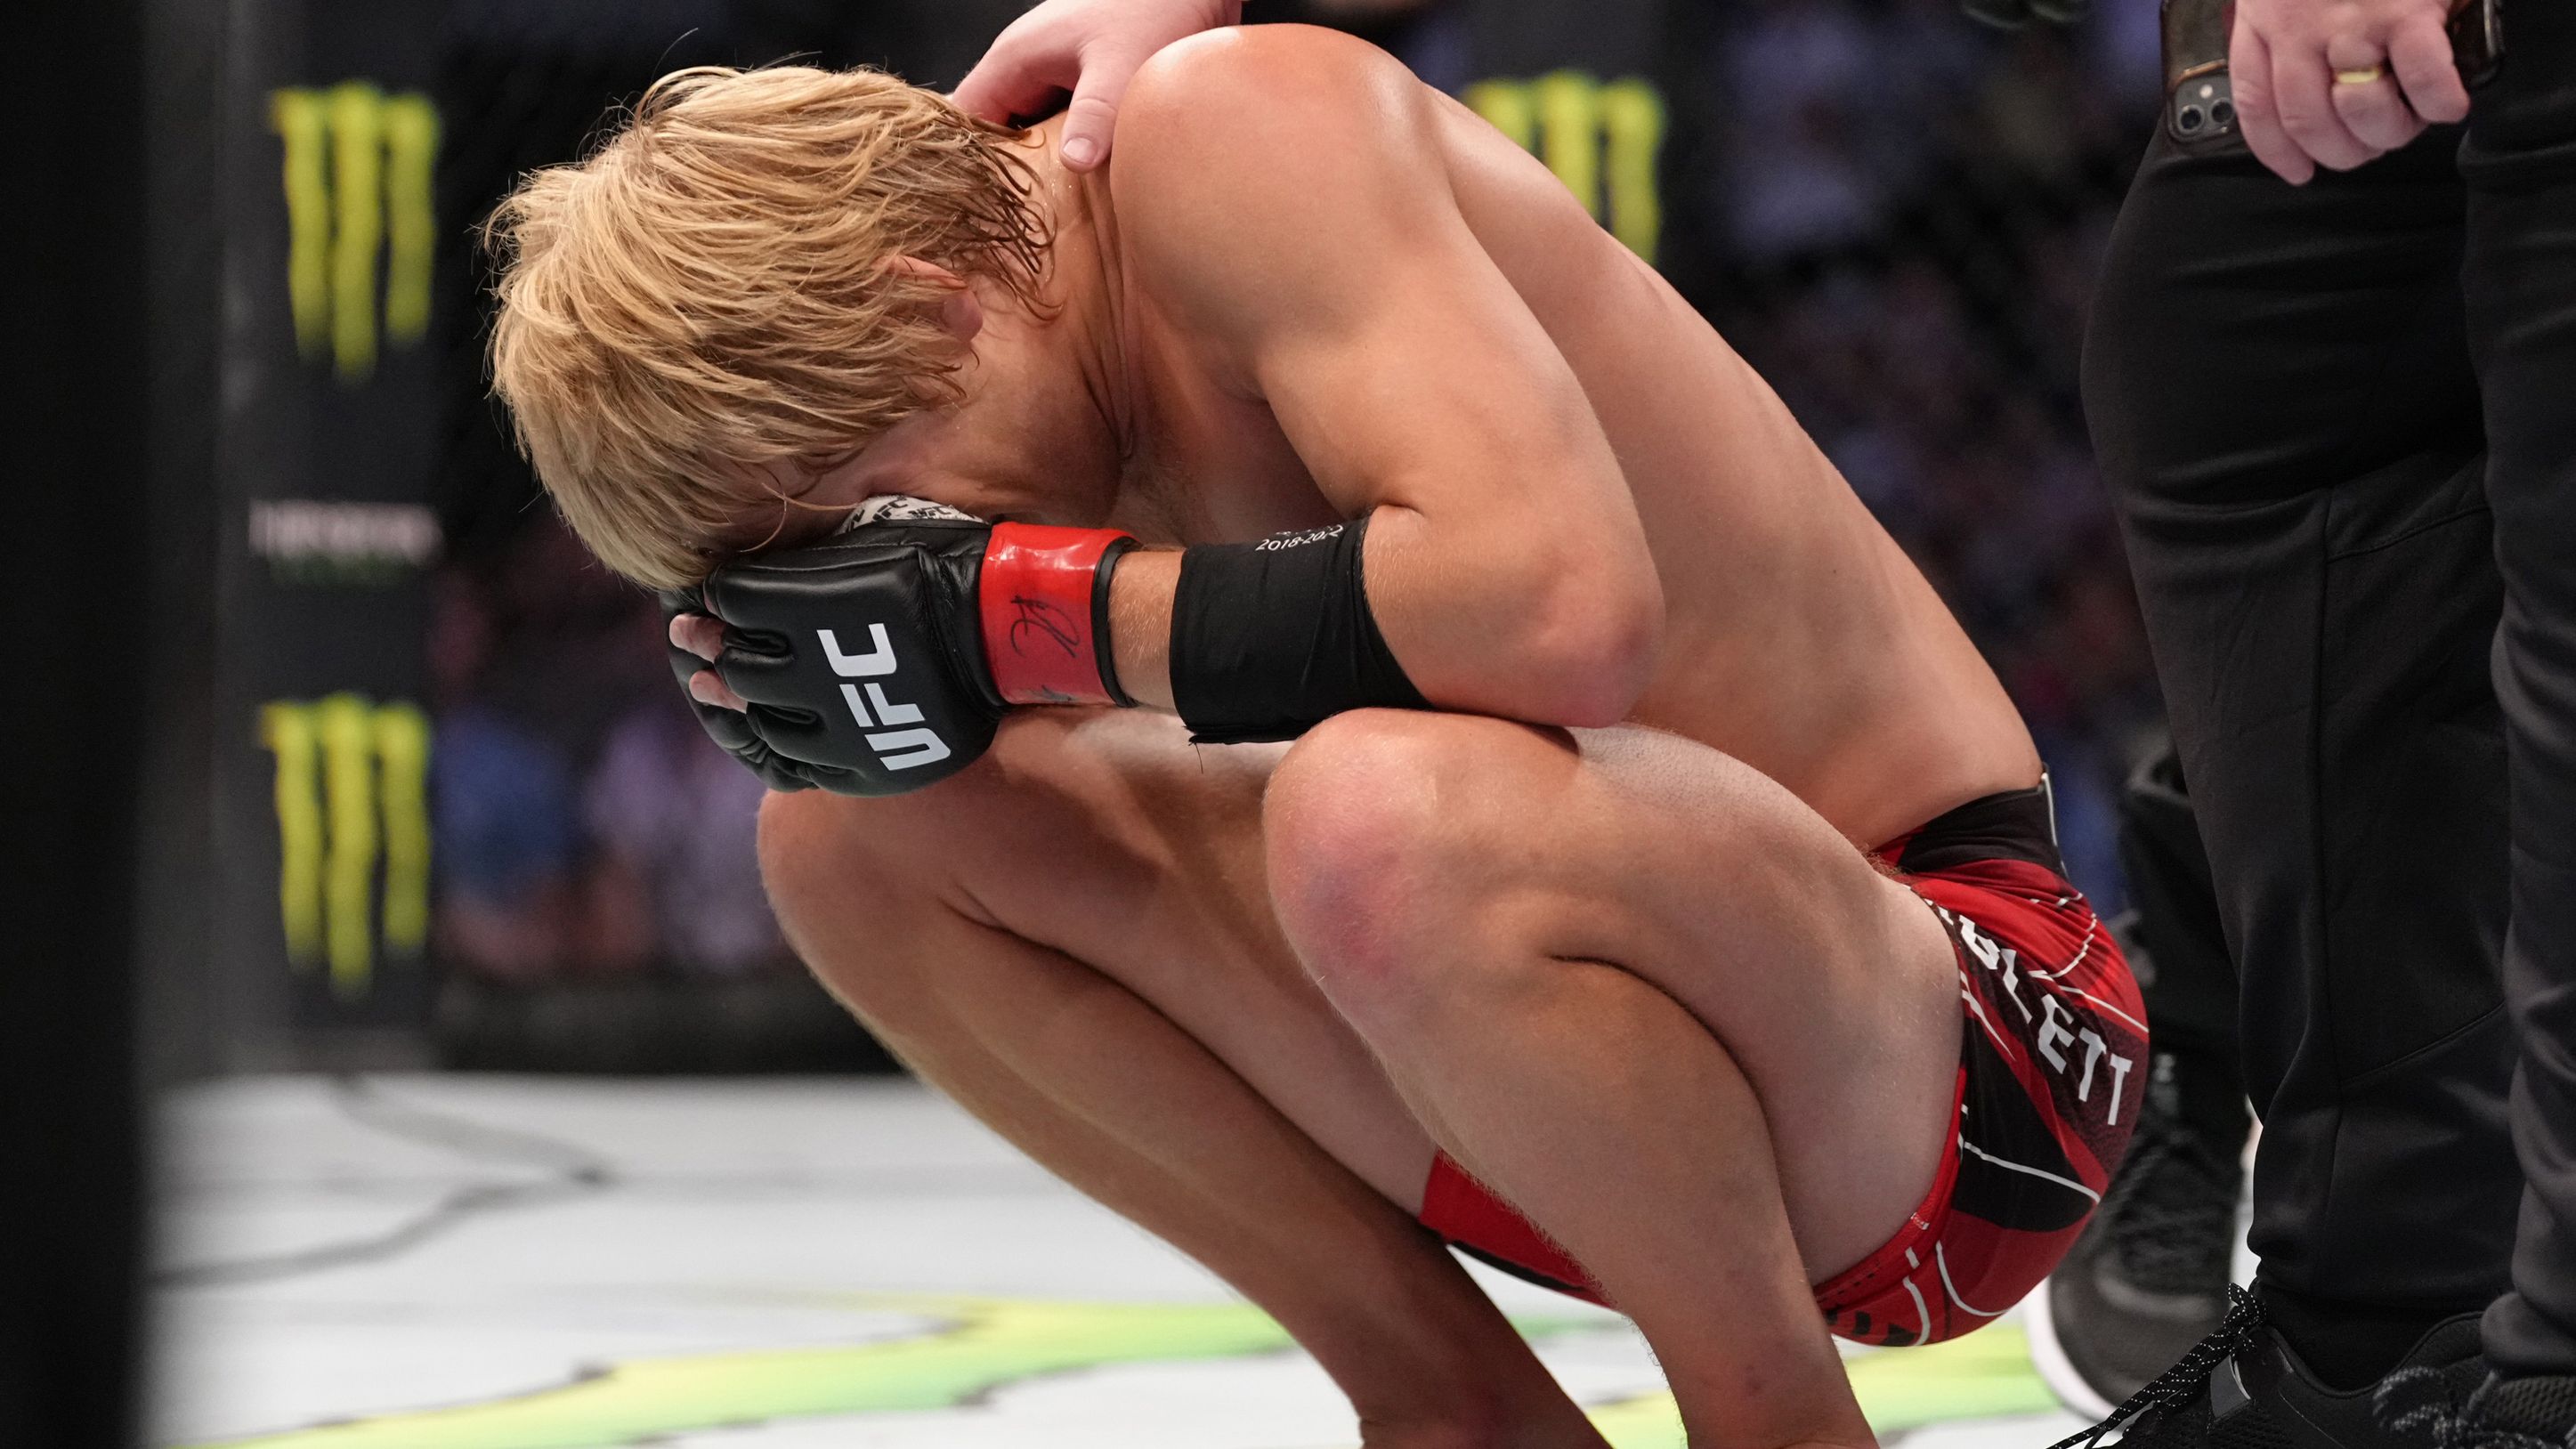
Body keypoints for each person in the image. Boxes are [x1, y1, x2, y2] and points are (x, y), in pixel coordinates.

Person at [482, 29, 2143, 1449]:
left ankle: (1771, 1426)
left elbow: (1558, 613)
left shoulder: (1230, 134)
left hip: (1956, 1043)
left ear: (938, 312)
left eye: (866, 520)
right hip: (1531, 1103)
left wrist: (1024, 613)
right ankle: (1446, 1406)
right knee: (850, 829)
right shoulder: (1037, 394)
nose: (883, 584)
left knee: (1379, 807)